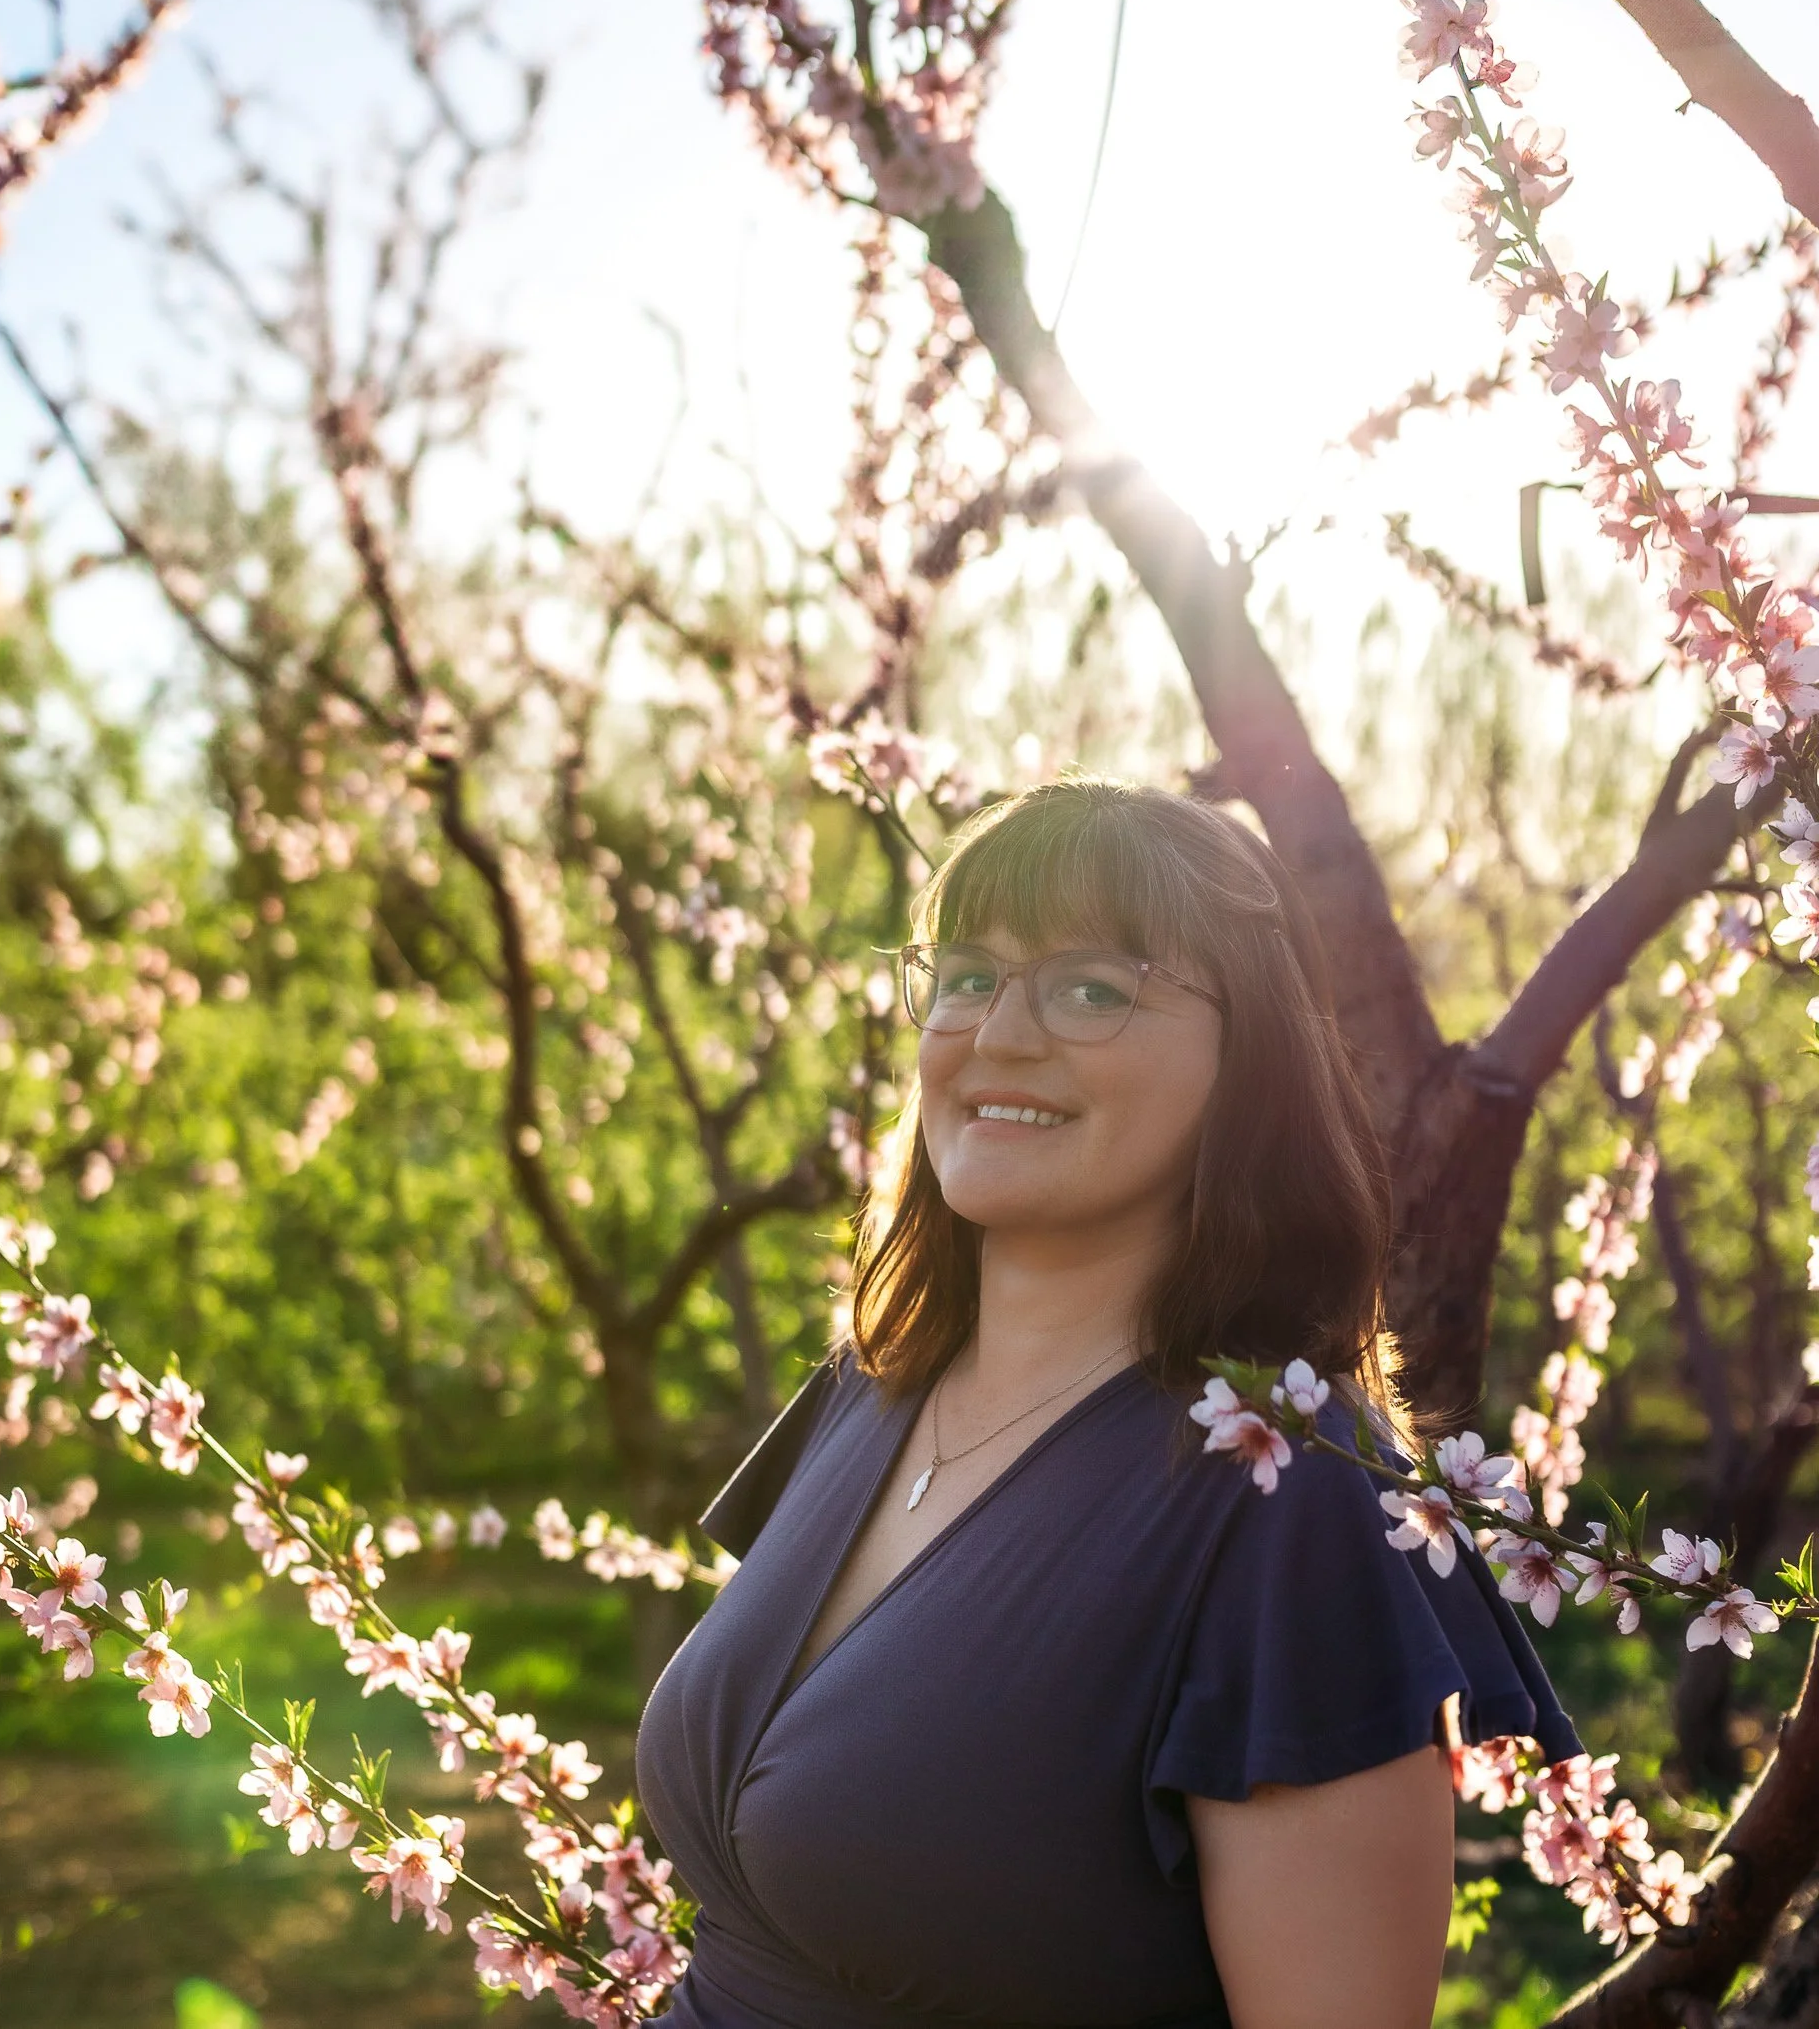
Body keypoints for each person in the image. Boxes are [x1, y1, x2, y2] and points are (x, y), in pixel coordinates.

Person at [635, 778, 1579, 2029]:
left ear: (1247, 1053)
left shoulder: (1282, 1496)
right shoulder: (870, 1380)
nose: (997, 1033)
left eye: (1089, 987)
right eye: (965, 974)